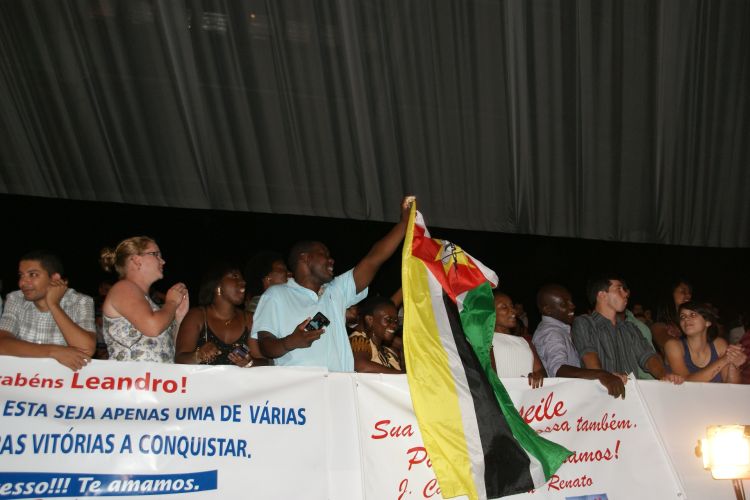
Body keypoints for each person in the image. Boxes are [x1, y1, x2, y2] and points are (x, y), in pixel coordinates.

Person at [251, 196, 414, 371]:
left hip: (339, 384)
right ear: (305, 258)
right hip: (300, 384)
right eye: (324, 254)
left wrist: (404, 224)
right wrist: (290, 342)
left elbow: (373, 260)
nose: (331, 260)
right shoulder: (277, 295)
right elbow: (265, 345)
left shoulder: (335, 291)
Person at [572, 275, 683, 384]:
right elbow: (588, 355)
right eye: (619, 289)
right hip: (599, 391)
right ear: (602, 295)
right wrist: (605, 377)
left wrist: (663, 375)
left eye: (624, 290)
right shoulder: (585, 323)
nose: (625, 294)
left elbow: (648, 356)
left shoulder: (630, 328)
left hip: (630, 392)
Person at [0, 250, 95, 370]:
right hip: (21, 377)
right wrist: (53, 351)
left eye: (33, 274)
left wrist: (54, 305)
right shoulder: (15, 298)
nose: (22, 283)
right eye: (21, 275)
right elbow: (2, 343)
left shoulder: (80, 301)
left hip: (59, 379)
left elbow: (86, 350)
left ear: (54, 278)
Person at [100, 236, 189, 362]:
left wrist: (178, 317)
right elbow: (152, 327)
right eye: (156, 254)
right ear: (137, 260)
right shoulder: (123, 288)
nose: (163, 261)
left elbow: (168, 349)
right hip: (131, 374)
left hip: (155, 374)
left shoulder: (150, 303)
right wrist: (172, 302)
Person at [533, 284, 626, 398]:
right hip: (562, 399)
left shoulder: (559, 329)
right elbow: (559, 370)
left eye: (570, 301)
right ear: (548, 310)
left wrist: (606, 375)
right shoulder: (551, 333)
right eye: (564, 304)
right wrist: (601, 375)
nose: (572, 306)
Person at [175, 263, 267, 367]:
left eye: (242, 278)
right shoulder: (197, 316)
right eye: (235, 276)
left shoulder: (249, 319)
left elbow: (264, 362)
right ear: (218, 284)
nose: (243, 282)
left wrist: (249, 363)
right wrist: (198, 355)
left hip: (239, 378)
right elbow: (179, 359)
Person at [664, 301, 746, 383]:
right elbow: (686, 382)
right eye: (683, 316)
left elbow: (731, 385)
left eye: (693, 315)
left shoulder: (719, 344)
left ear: (708, 322)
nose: (686, 319)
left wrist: (734, 364)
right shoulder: (673, 346)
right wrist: (724, 360)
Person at [491, 290, 545, 388]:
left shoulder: (525, 342)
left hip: (528, 396)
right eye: (504, 307)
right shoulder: (487, 342)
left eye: (512, 306)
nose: (513, 311)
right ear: (490, 312)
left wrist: (538, 375)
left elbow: (540, 371)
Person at [349, 296, 403, 373]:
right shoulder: (359, 339)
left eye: (396, 321)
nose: (394, 325)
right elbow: (361, 366)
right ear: (370, 320)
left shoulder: (390, 353)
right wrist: (401, 375)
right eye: (388, 319)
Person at [650, 279, 693, 353]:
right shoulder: (658, 327)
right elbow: (672, 347)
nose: (689, 295)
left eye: (689, 293)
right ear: (670, 294)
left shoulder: (693, 322)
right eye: (683, 291)